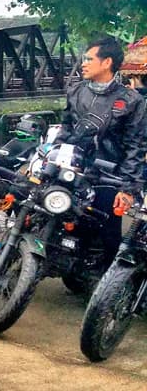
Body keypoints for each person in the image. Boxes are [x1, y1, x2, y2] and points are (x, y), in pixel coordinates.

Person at [55, 36, 146, 270]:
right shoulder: (75, 91)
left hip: (108, 175)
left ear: (106, 62)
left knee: (107, 232)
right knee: (59, 216)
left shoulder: (131, 100)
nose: (83, 63)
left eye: (89, 59)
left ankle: (104, 285)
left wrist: (128, 188)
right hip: (73, 169)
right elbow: (65, 128)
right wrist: (53, 155)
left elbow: (136, 147)